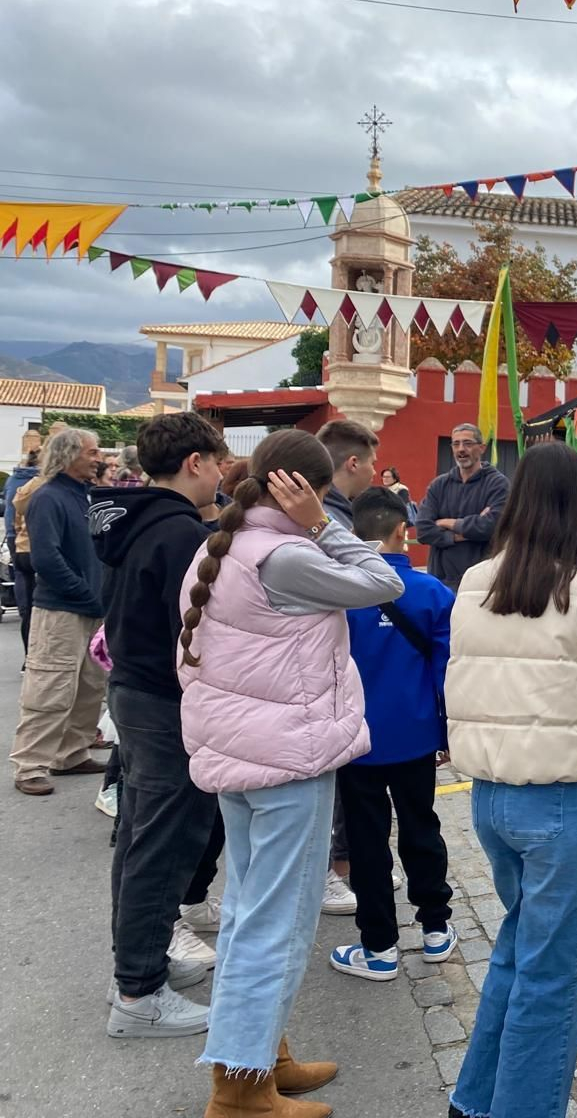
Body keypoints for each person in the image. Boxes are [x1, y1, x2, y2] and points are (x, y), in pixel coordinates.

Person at [177, 429, 401, 1117]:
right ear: (308, 487)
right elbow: (385, 581)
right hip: (286, 761)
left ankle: (257, 1056)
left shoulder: (226, 546)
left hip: (247, 756)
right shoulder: (282, 554)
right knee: (277, 922)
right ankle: (240, 1092)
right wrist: (322, 526)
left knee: (250, 911)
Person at [444, 443, 577, 1118]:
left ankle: (474, 1101)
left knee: (519, 947)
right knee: (554, 975)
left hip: (490, 798)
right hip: (559, 803)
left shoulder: (474, 582)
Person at [92, 412, 229, 1038]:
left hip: (133, 691)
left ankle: (143, 962)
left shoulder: (134, 517)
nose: (224, 471)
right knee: (165, 839)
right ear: (194, 462)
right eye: (219, 459)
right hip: (164, 700)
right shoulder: (179, 534)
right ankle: (139, 992)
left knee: (138, 833)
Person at [328, 487, 457, 982]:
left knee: (366, 841)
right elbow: (446, 672)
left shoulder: (337, 594)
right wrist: (445, 732)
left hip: (356, 741)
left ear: (354, 532)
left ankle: (378, 946)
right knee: (422, 828)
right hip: (416, 737)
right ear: (404, 530)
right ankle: (435, 929)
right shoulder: (432, 594)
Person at [10, 428, 109, 796]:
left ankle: (70, 753)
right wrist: (86, 592)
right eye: (92, 451)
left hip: (88, 607)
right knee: (50, 686)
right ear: (69, 455)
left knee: (88, 685)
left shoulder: (83, 496)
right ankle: (30, 764)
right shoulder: (48, 498)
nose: (98, 457)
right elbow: (45, 558)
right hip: (61, 610)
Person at [314, 418, 381, 917]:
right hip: (323, 662)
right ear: (351, 462)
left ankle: (340, 862)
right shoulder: (326, 519)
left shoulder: (328, 512)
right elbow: (370, 583)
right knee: (333, 773)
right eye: (371, 462)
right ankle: (332, 870)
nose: (376, 473)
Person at [416, 423, 509, 591]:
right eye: (456, 443)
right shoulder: (439, 485)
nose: (461, 449)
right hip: (441, 582)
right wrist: (461, 534)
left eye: (467, 443)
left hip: (482, 583)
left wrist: (447, 523)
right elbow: (423, 530)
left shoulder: (497, 484)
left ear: (481, 448)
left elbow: (491, 526)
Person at [5, 448, 40, 654]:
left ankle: (28, 655)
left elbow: (14, 514)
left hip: (18, 541)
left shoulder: (14, 480)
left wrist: (17, 534)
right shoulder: (43, 484)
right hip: (34, 544)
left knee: (23, 584)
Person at [315, 419, 379, 531]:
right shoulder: (331, 522)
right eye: (372, 463)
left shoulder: (311, 510)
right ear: (354, 464)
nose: (374, 472)